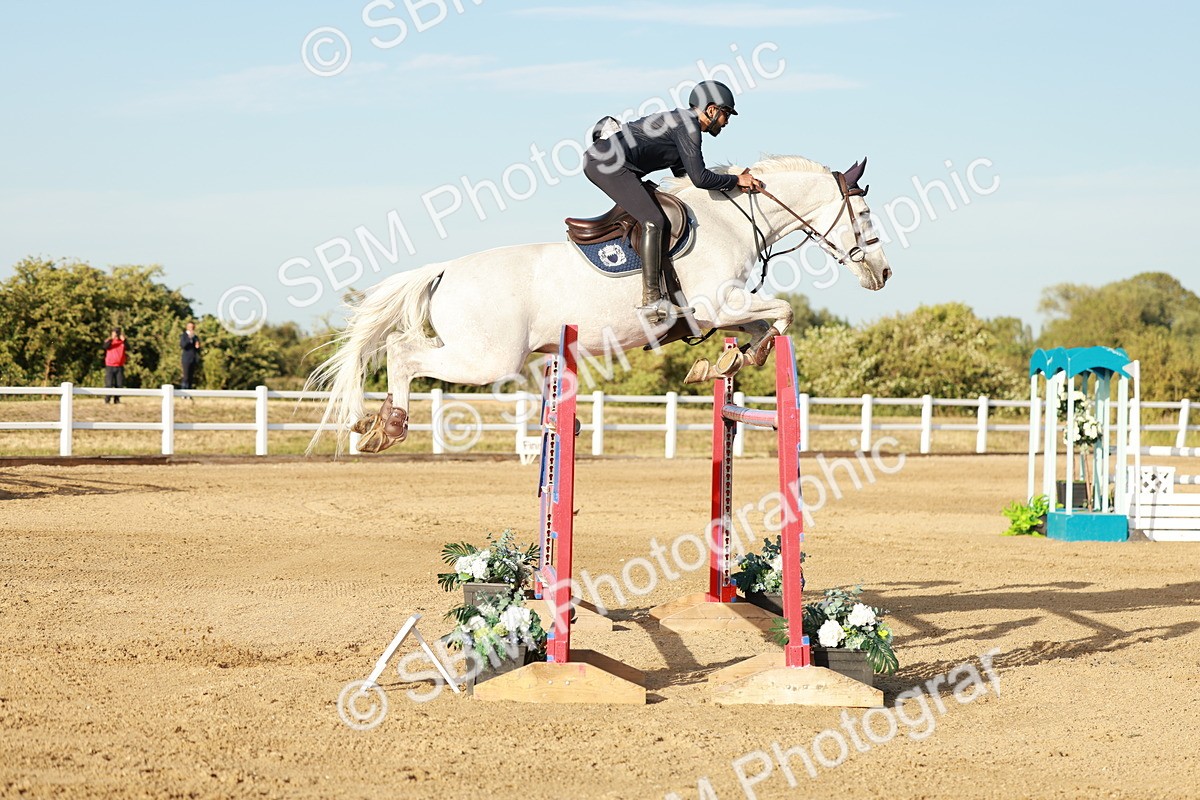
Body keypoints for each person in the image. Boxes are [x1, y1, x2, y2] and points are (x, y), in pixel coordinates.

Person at [582, 80, 765, 323]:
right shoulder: (687, 125)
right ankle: (652, 301)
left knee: (662, 213)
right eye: (726, 113)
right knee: (654, 220)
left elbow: (686, 178)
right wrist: (735, 180)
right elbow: (700, 179)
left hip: (613, 164)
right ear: (711, 110)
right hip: (607, 163)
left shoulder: (683, 124)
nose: (727, 121)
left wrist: (734, 182)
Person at [102, 328, 127, 404]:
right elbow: (105, 347)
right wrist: (111, 339)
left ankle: (117, 400)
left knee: (119, 384)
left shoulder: (122, 343)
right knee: (109, 384)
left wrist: (124, 340)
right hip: (110, 365)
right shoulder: (109, 341)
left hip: (119, 366)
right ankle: (107, 400)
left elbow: (129, 347)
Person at [180, 321, 201, 389]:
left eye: (193, 327)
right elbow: (183, 345)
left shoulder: (195, 337)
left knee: (191, 377)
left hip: (193, 358)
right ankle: (183, 392)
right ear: (187, 327)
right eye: (190, 327)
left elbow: (197, 349)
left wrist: (198, 347)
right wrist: (189, 338)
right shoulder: (184, 336)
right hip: (186, 359)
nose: (191, 328)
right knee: (186, 376)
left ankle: (189, 392)